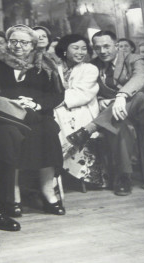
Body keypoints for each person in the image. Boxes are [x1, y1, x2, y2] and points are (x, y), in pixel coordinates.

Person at [0, 24, 65, 218]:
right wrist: (12, 100)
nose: (18, 46)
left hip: (37, 113)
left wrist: (36, 104)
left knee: (48, 131)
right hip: (4, 113)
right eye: (13, 41)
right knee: (10, 135)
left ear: (33, 45)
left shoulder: (44, 62)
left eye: (24, 42)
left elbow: (57, 95)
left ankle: (47, 193)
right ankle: (13, 195)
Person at [68, 31, 144, 196]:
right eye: (97, 47)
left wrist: (122, 96)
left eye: (106, 46)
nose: (102, 51)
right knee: (119, 124)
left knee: (138, 95)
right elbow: (92, 90)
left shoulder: (133, 58)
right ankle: (124, 177)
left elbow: (142, 77)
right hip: (116, 115)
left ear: (116, 46)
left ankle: (89, 128)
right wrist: (101, 99)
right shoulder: (94, 64)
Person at [53, 34, 107, 187]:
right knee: (55, 116)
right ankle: (57, 169)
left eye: (84, 48)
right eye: (75, 48)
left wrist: (53, 101)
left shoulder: (90, 69)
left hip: (83, 108)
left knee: (62, 115)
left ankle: (81, 174)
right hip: (60, 108)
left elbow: (82, 94)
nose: (80, 52)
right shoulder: (54, 68)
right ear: (64, 49)